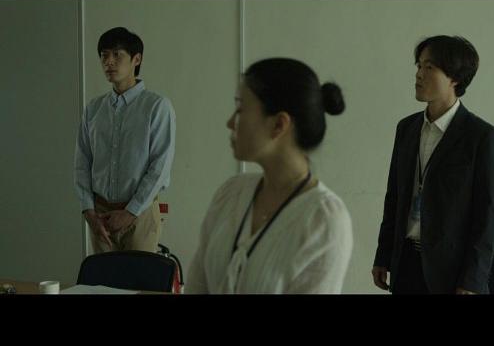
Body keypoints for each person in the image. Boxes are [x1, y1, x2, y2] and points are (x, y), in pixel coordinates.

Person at [187, 57, 353, 294]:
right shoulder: (231, 194)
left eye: (241, 109)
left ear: (278, 125)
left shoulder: (324, 221)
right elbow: (197, 286)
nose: (230, 122)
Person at [372, 35, 494, 294]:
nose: (419, 74)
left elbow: (486, 217)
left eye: (429, 67)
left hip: (452, 273)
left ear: (455, 78)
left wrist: (472, 280)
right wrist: (383, 255)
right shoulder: (407, 128)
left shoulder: (481, 137)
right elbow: (394, 197)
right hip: (405, 263)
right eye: (418, 66)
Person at [74, 27, 176, 253]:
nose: (108, 62)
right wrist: (88, 211)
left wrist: (131, 212)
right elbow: (82, 162)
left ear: (136, 59)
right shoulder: (93, 109)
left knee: (139, 275)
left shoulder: (157, 107)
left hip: (140, 214)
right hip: (100, 217)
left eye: (117, 55)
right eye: (104, 55)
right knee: (102, 277)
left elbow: (160, 167)